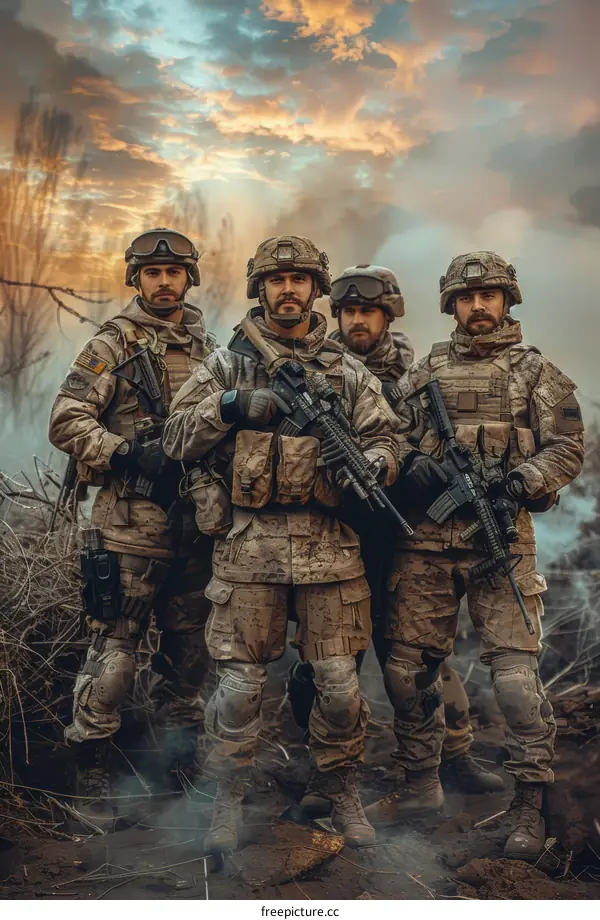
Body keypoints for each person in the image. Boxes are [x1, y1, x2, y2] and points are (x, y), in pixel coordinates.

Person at [163, 235, 402, 855]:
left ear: (317, 289)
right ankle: (225, 804)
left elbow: (388, 438)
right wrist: (230, 405)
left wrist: (375, 463)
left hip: (331, 553)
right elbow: (175, 438)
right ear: (260, 289)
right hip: (249, 551)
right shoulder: (224, 364)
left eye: (300, 279)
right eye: (276, 280)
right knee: (240, 690)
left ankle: (341, 791)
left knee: (341, 687)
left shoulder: (345, 369)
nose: (288, 289)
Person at [365, 251, 584, 860]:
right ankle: (418, 785)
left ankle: (529, 804)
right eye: (467, 297)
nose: (479, 306)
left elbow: (568, 446)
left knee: (515, 679)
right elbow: (386, 435)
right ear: (451, 306)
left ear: (508, 301)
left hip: (502, 542)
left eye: (490, 295)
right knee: (406, 671)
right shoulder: (424, 371)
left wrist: (520, 480)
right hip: (425, 546)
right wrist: (414, 469)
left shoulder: (536, 373)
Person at [290, 264, 503, 819]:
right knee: (332, 658)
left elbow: (442, 442)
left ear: (389, 315)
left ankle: (451, 754)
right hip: (335, 536)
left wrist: (413, 466)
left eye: (370, 311)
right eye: (349, 311)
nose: (358, 320)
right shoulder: (314, 369)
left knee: (417, 655)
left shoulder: (416, 373)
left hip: (405, 534)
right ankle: (327, 774)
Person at [48, 228, 216, 821]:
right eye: (152, 273)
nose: (164, 282)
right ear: (136, 279)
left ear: (190, 278)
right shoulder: (112, 344)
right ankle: (90, 770)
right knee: (114, 655)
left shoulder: (212, 350)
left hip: (195, 530)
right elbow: (66, 420)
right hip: (128, 528)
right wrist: (123, 453)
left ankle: (177, 766)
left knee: (189, 656)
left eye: (174, 272)